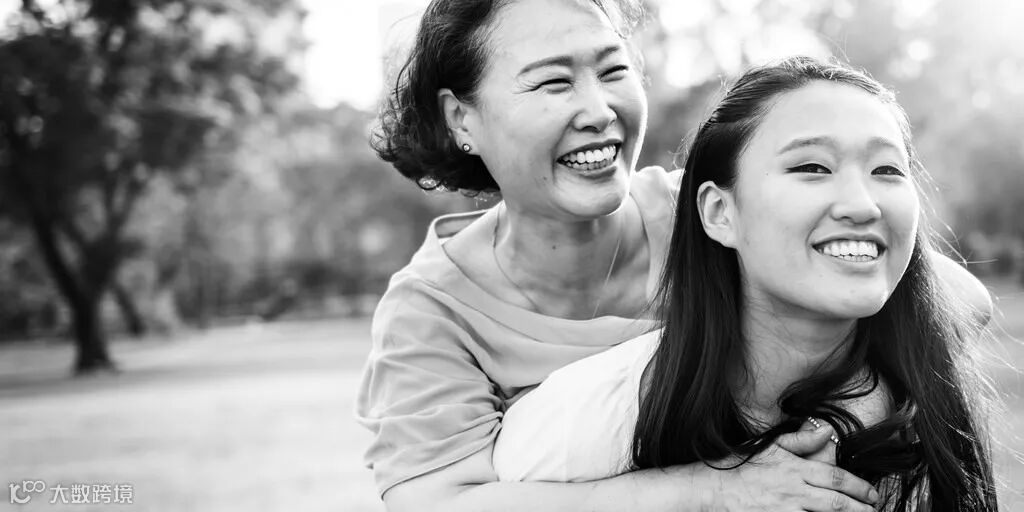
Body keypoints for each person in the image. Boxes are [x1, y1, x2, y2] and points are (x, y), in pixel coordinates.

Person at [356, 0, 991, 510]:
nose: (599, 110)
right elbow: (439, 501)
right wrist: (713, 489)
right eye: (554, 82)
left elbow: (956, 304)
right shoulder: (429, 312)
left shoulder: (701, 209)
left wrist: (818, 417)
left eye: (612, 71)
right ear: (460, 119)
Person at [493, 57, 998, 511]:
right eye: (812, 167)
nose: (863, 205)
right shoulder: (580, 424)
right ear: (720, 213)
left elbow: (969, 302)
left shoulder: (920, 404)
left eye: (887, 169)